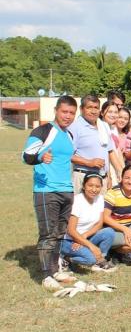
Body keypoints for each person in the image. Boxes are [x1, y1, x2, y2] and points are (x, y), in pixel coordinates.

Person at [22, 96, 79, 290]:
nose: (68, 116)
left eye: (72, 113)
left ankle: (55, 270)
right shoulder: (44, 131)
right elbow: (26, 156)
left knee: (59, 233)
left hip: (66, 190)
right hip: (46, 191)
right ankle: (46, 275)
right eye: (64, 112)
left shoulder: (69, 135)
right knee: (47, 233)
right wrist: (40, 156)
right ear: (56, 110)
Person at [61, 173, 118, 272]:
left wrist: (84, 236)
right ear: (84, 186)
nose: (94, 189)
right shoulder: (77, 201)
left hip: (84, 238)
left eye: (97, 186)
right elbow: (71, 231)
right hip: (69, 241)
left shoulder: (100, 198)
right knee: (89, 259)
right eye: (90, 185)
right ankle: (66, 259)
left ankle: (100, 261)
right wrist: (91, 246)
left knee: (109, 232)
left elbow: (99, 224)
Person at [69, 95, 123, 193]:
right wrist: (89, 162)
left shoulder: (103, 126)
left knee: (102, 208)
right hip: (83, 177)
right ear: (81, 109)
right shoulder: (75, 127)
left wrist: (111, 174)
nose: (93, 111)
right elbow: (68, 155)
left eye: (96, 108)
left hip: (102, 178)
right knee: (82, 208)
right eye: (89, 107)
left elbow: (109, 152)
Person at [101, 101, 125, 187]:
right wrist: (119, 170)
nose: (113, 115)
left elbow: (118, 150)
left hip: (117, 168)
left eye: (116, 112)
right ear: (102, 112)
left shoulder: (113, 128)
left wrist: (123, 169)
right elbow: (109, 152)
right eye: (110, 112)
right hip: (108, 168)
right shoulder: (101, 126)